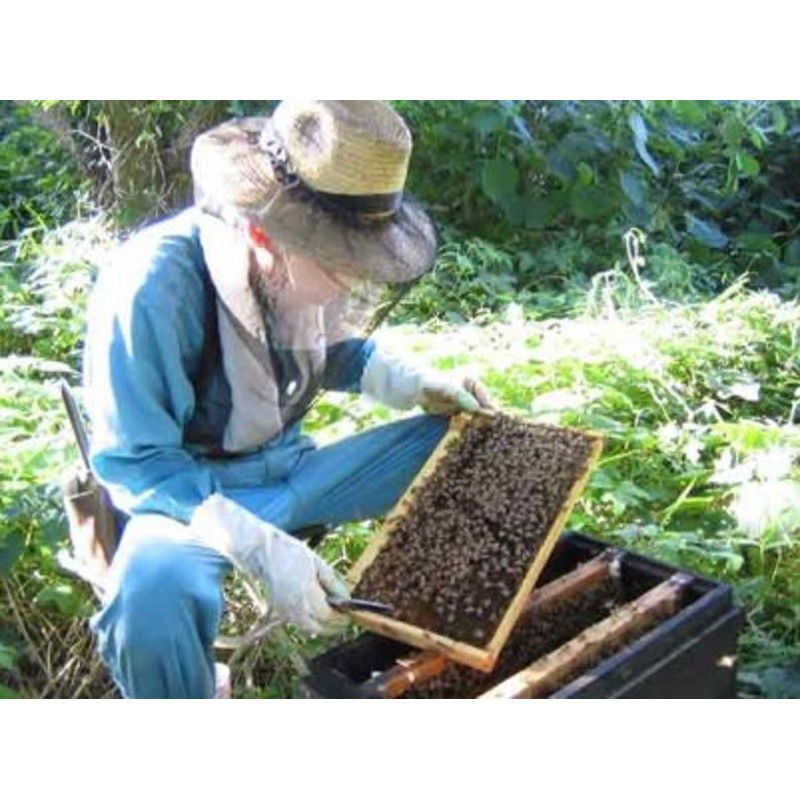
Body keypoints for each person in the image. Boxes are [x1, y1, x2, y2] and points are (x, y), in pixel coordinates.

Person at [83, 101, 493, 699]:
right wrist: (255, 545)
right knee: (149, 603)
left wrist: (409, 382)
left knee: (480, 443)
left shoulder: (298, 269)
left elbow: (330, 348)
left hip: (296, 471)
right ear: (260, 232)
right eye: (339, 263)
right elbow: (138, 463)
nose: (351, 283)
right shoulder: (149, 288)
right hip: (190, 499)